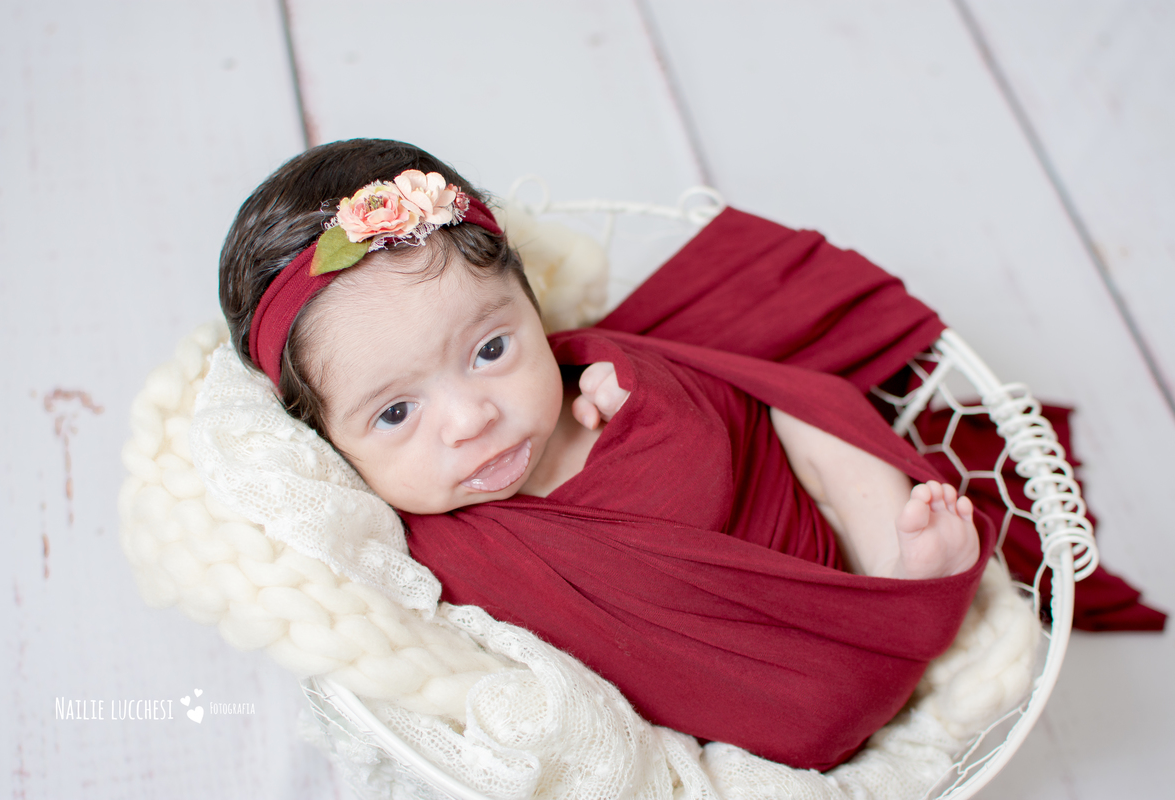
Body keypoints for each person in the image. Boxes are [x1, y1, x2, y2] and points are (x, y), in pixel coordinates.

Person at [219, 138, 990, 770]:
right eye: (395, 412)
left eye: (491, 349)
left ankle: (894, 561)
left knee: (803, 404)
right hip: (766, 697)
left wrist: (653, 399)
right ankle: (889, 630)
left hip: (816, 557)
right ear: (324, 438)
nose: (470, 418)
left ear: (532, 302)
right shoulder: (410, 555)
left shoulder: (609, 379)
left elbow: (733, 426)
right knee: (814, 704)